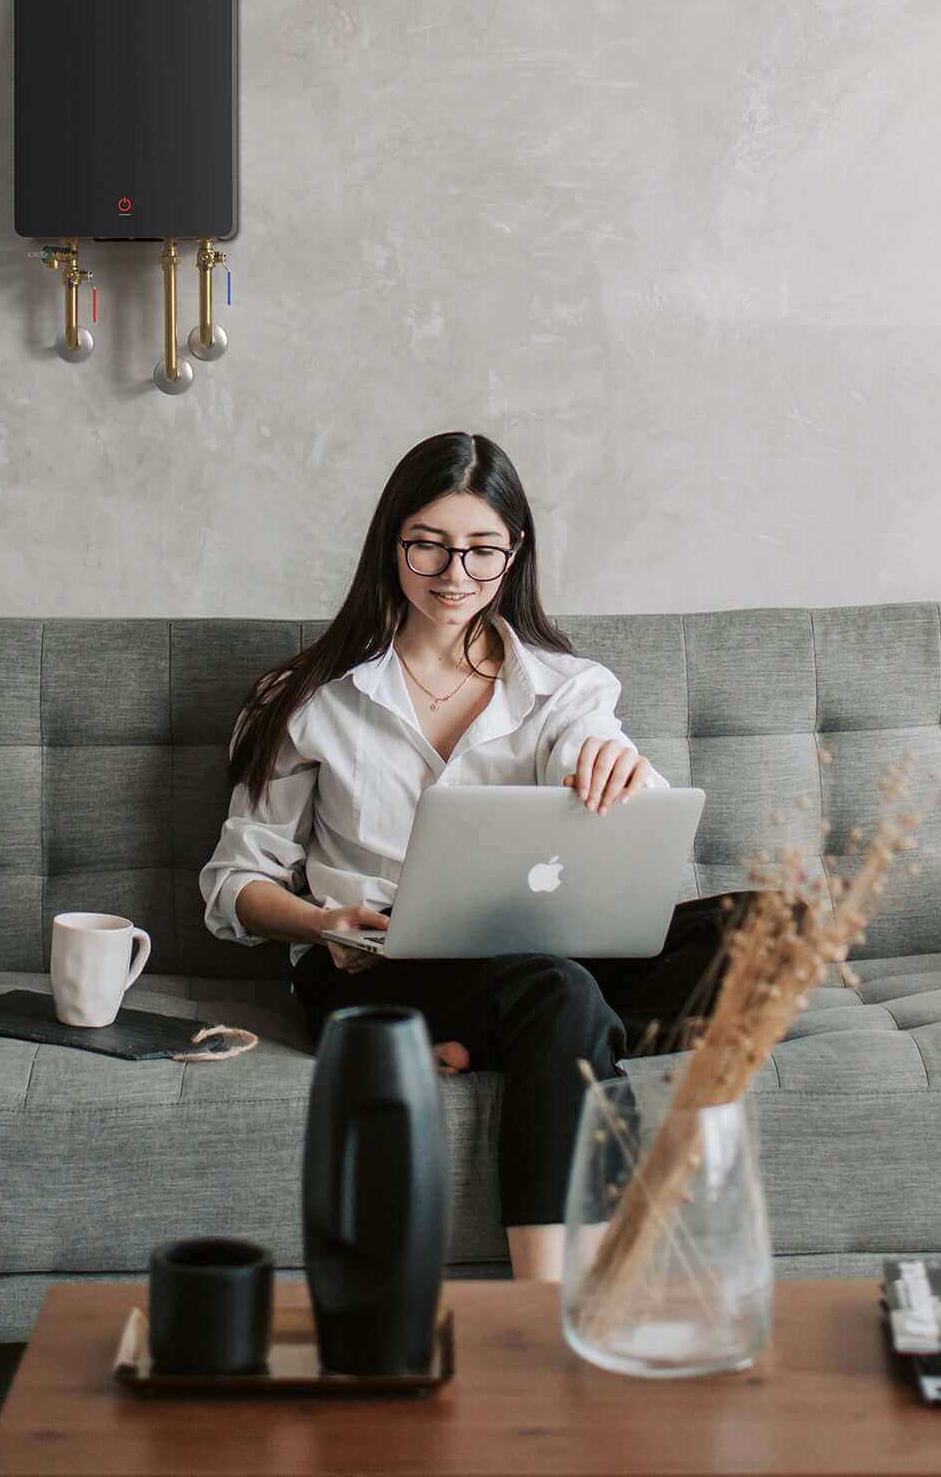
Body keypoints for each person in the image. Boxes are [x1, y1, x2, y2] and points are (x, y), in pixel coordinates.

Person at [198, 429, 736, 1281]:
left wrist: (617, 770)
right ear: (391, 544)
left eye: (482, 551)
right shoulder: (307, 698)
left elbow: (591, 747)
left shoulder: (566, 687)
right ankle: (552, 1302)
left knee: (764, 932)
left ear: (514, 553)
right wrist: (317, 919)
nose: (455, 576)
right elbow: (234, 883)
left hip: (532, 955)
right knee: (558, 992)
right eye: (429, 546)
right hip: (372, 965)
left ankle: (495, 1039)